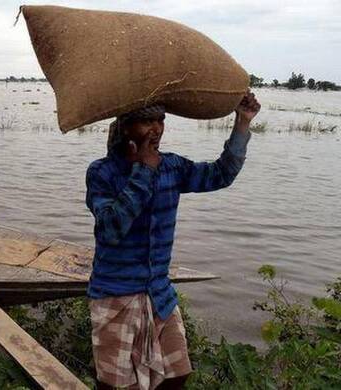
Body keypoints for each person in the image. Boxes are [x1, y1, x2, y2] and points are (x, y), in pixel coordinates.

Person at [86, 92, 260, 389]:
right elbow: (111, 229)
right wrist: (143, 171)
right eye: (146, 121)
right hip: (116, 294)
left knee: (177, 375)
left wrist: (241, 123)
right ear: (127, 127)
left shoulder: (173, 167)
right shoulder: (103, 172)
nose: (155, 128)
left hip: (160, 294)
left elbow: (221, 174)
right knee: (117, 385)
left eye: (160, 120)